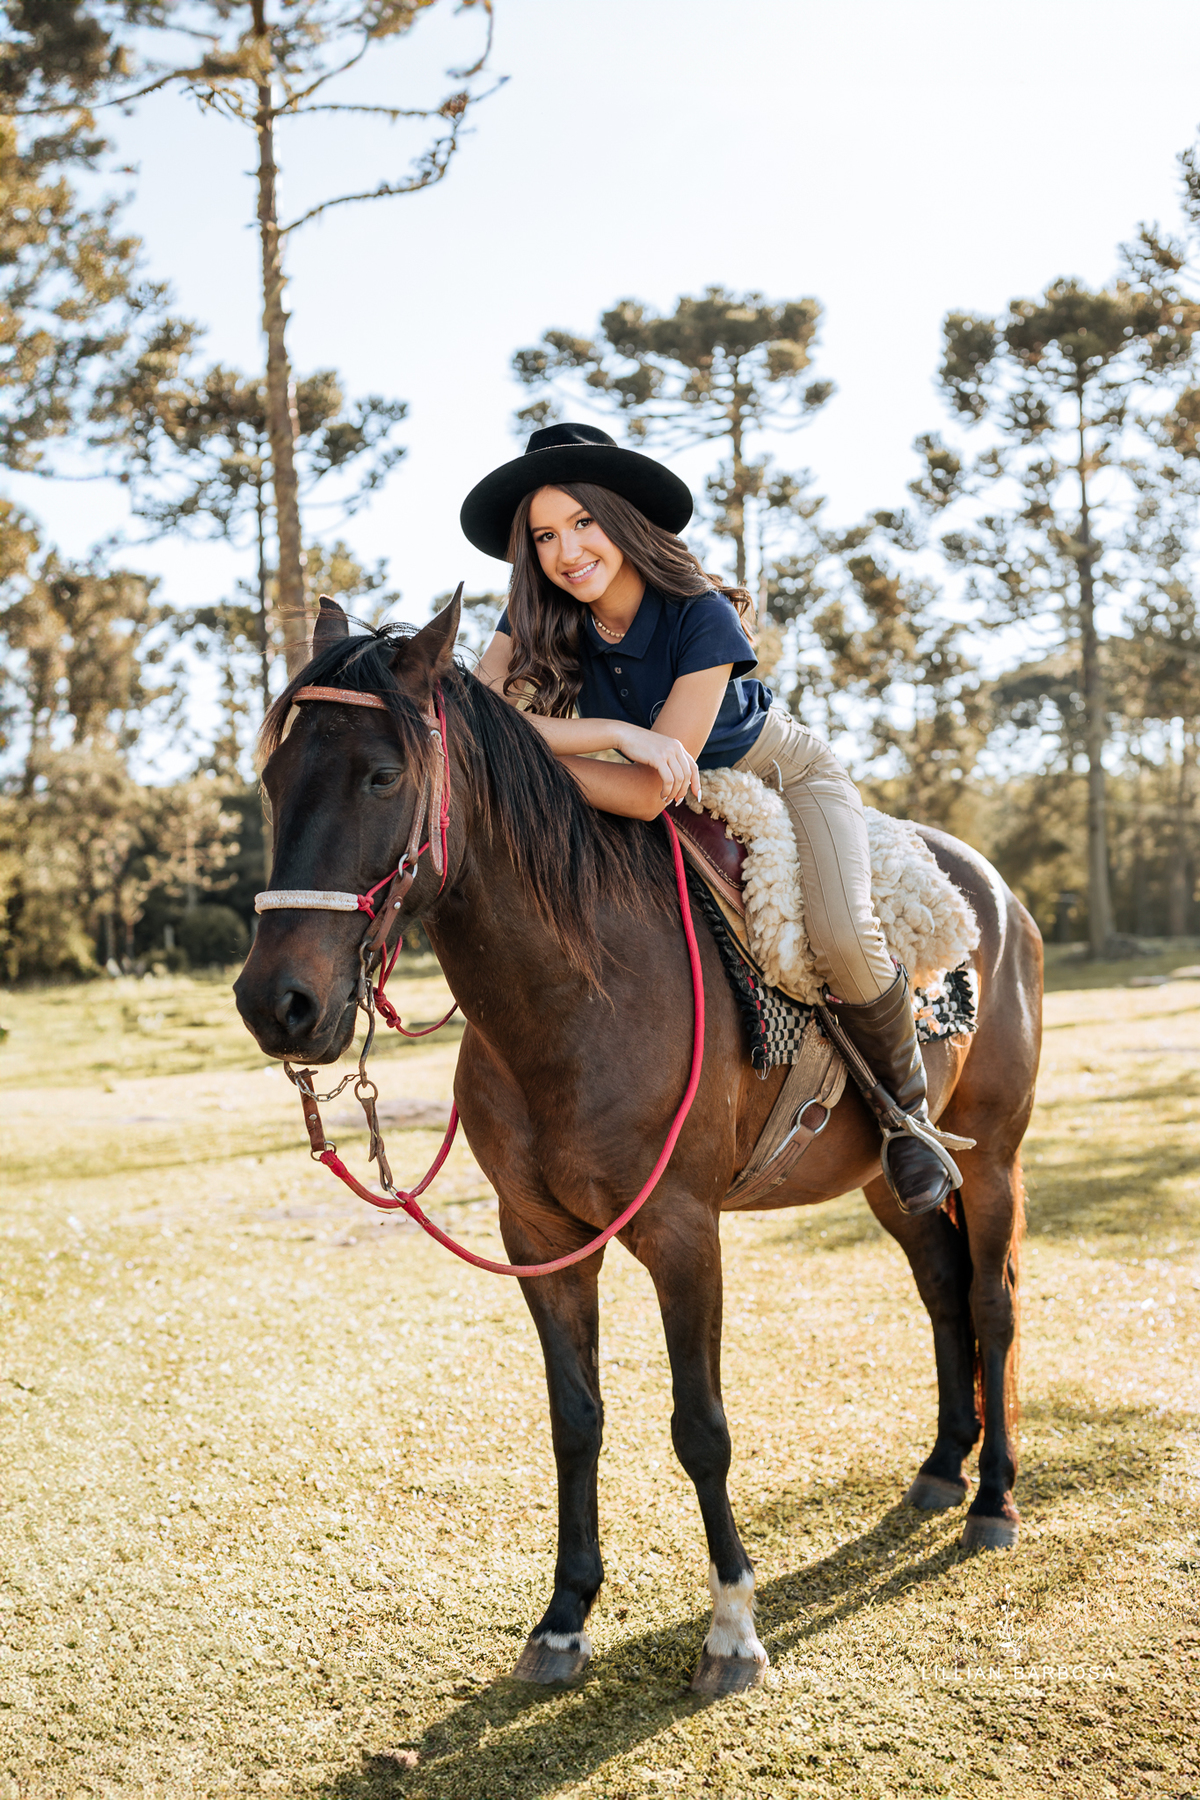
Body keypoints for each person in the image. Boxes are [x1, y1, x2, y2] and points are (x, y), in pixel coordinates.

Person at [460, 422, 952, 1217]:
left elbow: (656, 787)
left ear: (620, 520)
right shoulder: (535, 616)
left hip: (776, 771)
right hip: (630, 768)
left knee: (840, 931)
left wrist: (549, 752)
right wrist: (612, 733)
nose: (566, 551)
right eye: (545, 535)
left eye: (583, 522)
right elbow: (473, 712)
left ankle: (908, 1120)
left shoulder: (699, 612)